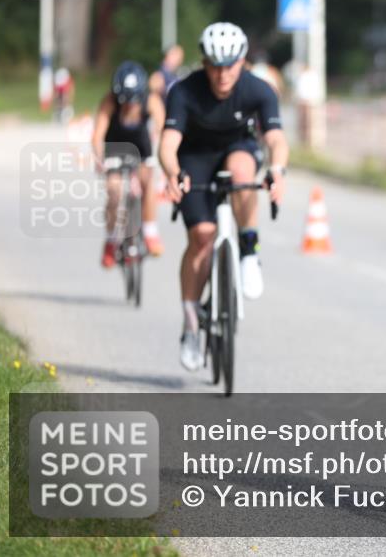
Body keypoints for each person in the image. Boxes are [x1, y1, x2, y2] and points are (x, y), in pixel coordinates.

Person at [159, 22, 289, 371]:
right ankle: (189, 325)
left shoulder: (258, 89)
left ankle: (249, 249)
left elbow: (276, 139)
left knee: (243, 173)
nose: (222, 74)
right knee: (201, 237)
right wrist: (172, 173)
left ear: (242, 61)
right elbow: (168, 144)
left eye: (229, 65)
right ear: (203, 62)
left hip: (237, 148)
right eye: (214, 65)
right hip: (193, 157)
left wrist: (277, 170)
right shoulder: (184, 91)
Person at [92, 61, 166, 264]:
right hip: (115, 147)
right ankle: (111, 240)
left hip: (142, 148)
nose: (129, 105)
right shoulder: (109, 102)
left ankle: (150, 230)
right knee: (114, 190)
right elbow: (97, 135)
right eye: (124, 100)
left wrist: (163, 156)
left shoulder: (150, 100)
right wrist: (99, 159)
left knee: (148, 180)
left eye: (133, 100)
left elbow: (163, 129)